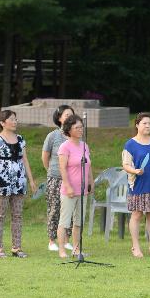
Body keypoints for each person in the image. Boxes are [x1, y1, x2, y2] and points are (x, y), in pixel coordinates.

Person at [0, 110, 36, 258]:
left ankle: (16, 247)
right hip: (2, 182)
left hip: (19, 182)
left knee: (17, 215)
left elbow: (25, 161)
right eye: (12, 119)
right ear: (3, 123)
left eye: (16, 119)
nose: (15, 122)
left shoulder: (21, 139)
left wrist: (31, 180)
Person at [122, 113, 150, 258]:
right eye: (144, 123)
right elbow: (125, 165)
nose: (147, 126)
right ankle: (135, 247)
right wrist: (135, 171)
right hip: (138, 184)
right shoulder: (130, 144)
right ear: (137, 125)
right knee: (136, 214)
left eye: (149, 123)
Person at [56, 114, 92, 259]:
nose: (80, 129)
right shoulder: (65, 147)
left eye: (81, 127)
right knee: (65, 221)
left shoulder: (85, 145)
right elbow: (62, 168)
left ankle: (76, 249)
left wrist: (91, 182)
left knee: (79, 221)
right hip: (69, 191)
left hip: (83, 190)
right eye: (77, 127)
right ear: (69, 130)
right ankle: (61, 250)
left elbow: (89, 165)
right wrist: (68, 186)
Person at [42, 104, 75, 252]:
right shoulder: (53, 136)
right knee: (54, 209)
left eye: (71, 115)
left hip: (73, 179)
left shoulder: (76, 135)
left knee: (71, 210)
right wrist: (51, 171)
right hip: (56, 178)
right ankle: (51, 240)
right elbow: (45, 157)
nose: (69, 117)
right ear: (59, 118)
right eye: (66, 115)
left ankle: (67, 240)